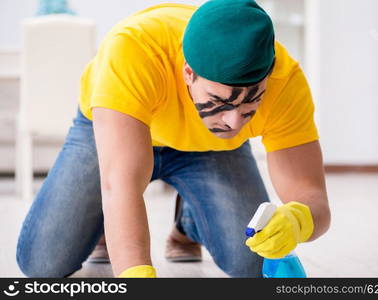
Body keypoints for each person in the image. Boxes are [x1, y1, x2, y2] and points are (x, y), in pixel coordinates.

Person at [16, 0, 331, 278]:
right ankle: (101, 221)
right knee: (43, 264)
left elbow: (312, 195)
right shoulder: (134, 49)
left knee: (251, 263)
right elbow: (121, 184)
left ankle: (189, 222)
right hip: (120, 129)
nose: (234, 121)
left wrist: (297, 218)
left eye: (251, 103)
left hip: (209, 147)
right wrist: (136, 275)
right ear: (188, 73)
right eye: (220, 101)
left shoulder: (285, 81)